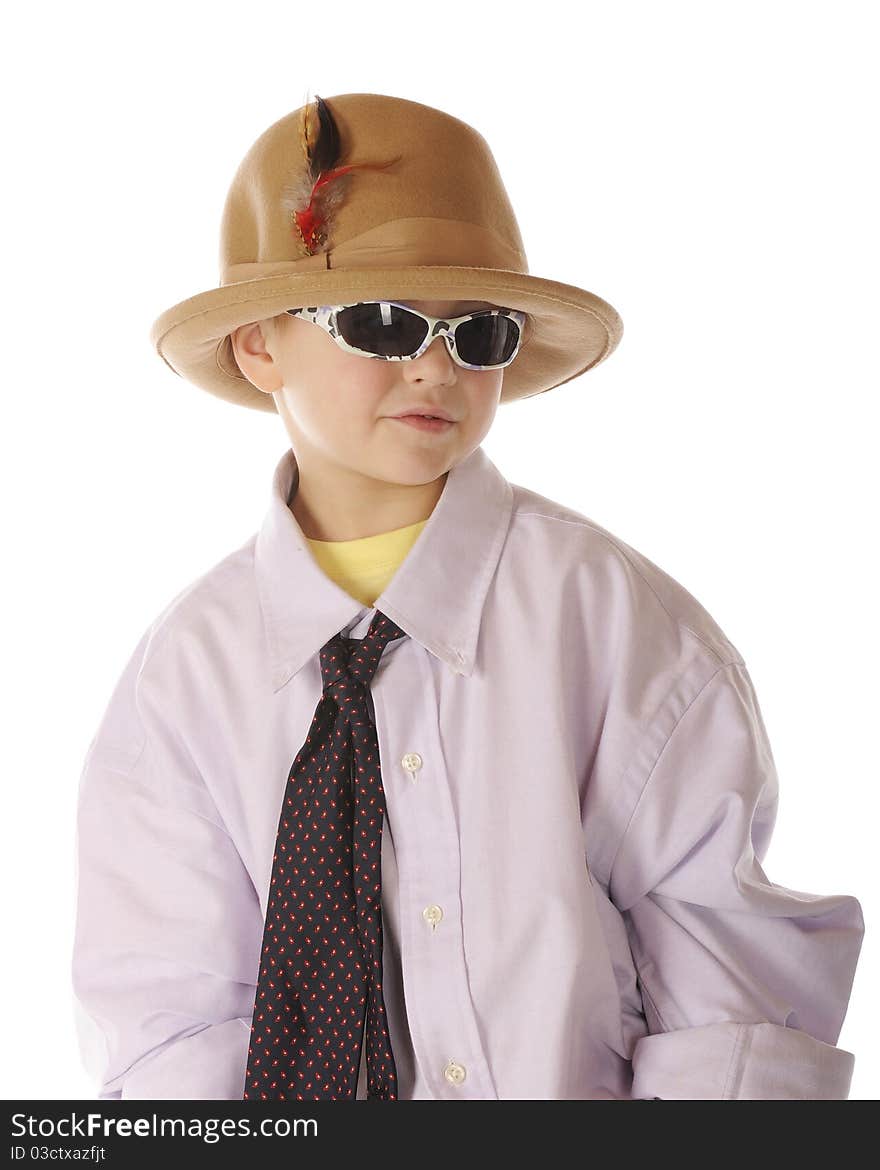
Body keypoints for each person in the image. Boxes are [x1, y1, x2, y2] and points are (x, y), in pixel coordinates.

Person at [70, 92, 864, 1101]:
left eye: (476, 333)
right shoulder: (186, 678)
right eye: (379, 322)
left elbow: (721, 966)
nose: (434, 366)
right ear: (260, 345)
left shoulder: (607, 621)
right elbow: (170, 1015)